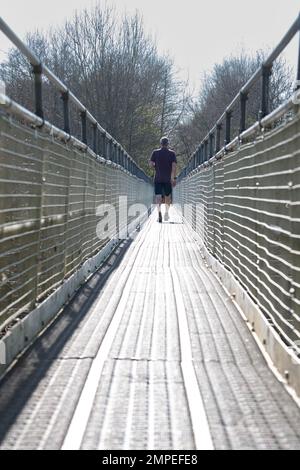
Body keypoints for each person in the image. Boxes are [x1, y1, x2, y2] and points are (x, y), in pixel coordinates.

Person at [149, 137, 177, 223]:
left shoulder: (155, 152)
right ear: (168, 144)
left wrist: (155, 166)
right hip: (167, 179)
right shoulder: (172, 154)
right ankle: (166, 213)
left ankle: (159, 213)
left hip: (158, 178)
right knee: (167, 197)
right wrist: (173, 178)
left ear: (160, 143)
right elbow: (174, 167)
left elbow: (150, 164)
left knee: (158, 197)